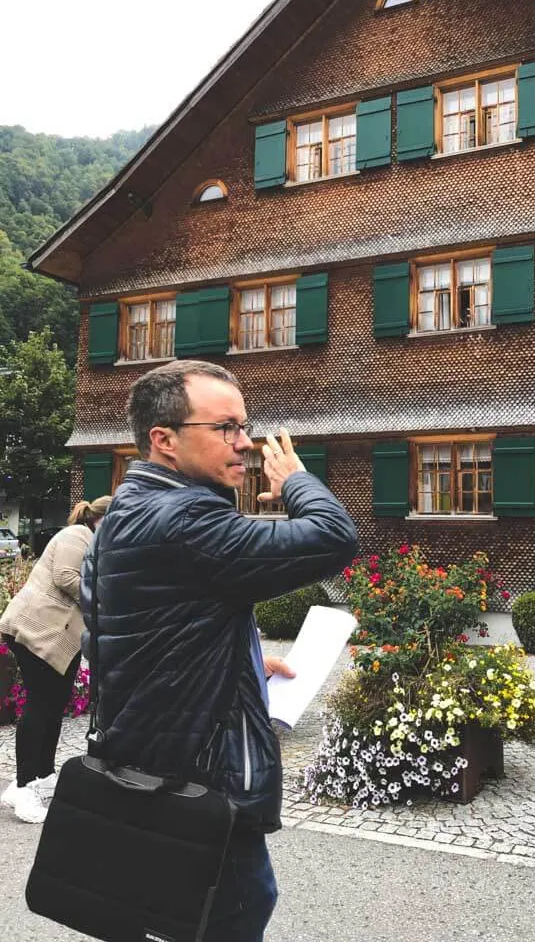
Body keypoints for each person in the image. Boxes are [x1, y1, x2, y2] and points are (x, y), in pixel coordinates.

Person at [79, 359, 358, 942]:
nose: (247, 443)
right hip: (196, 778)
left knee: (176, 913)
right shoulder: (184, 516)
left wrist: (245, 658)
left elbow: (149, 625)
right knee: (232, 911)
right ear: (165, 440)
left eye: (246, 425)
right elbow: (333, 538)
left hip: (144, 758)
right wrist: (297, 481)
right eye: (226, 427)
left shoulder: (126, 510)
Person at [0, 495, 112, 823]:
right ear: (101, 518)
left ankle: (42, 781)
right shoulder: (76, 536)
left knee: (54, 705)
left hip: (57, 637)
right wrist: (106, 599)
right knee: (41, 704)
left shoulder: (94, 543)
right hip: (36, 630)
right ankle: (24, 786)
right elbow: (66, 577)